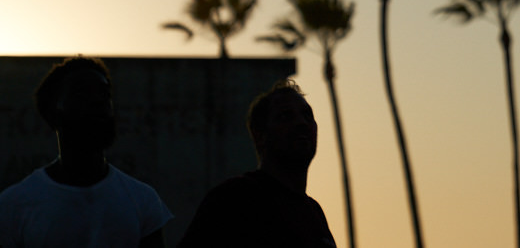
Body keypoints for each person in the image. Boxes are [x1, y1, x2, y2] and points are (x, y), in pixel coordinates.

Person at [0, 56, 172, 248]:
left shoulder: (143, 201)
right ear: (53, 114)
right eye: (82, 94)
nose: (98, 102)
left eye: (104, 94)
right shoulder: (14, 206)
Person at [178, 80, 336, 248]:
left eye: (307, 115)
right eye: (286, 116)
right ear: (260, 135)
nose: (301, 123)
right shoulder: (235, 198)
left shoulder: (313, 213)